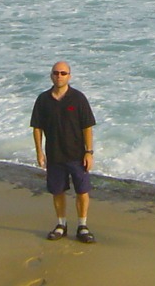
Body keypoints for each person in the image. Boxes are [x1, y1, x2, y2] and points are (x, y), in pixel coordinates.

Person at [31, 61, 97, 243]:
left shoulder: (78, 98)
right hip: (54, 155)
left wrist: (89, 152)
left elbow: (87, 127)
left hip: (77, 155)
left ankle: (82, 226)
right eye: (56, 73)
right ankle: (61, 224)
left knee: (82, 191)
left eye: (63, 73)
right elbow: (37, 127)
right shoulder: (43, 100)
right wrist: (39, 152)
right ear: (51, 75)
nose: (59, 76)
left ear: (69, 76)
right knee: (57, 191)